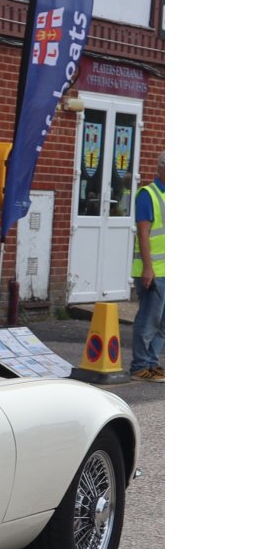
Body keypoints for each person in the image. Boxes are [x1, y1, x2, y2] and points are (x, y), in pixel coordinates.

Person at [129, 151, 165, 382]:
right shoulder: (147, 194)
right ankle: (139, 366)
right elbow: (143, 234)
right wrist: (148, 269)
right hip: (154, 271)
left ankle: (152, 363)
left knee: (164, 323)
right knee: (149, 320)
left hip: (169, 270)